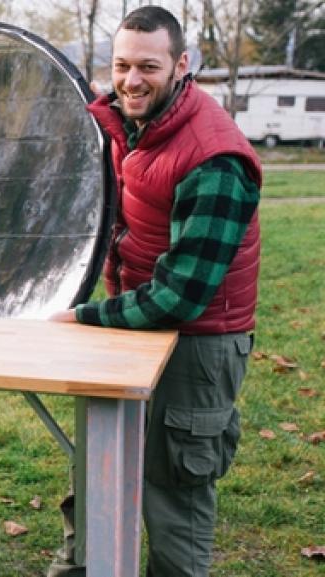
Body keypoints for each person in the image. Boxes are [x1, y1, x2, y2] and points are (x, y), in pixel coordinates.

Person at [48, 6, 261, 577]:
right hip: (131, 326)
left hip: (197, 344)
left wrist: (86, 317)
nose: (131, 80)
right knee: (98, 467)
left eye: (148, 66)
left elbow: (181, 296)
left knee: (174, 498)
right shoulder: (130, 125)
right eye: (122, 65)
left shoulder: (214, 158)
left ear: (181, 65)